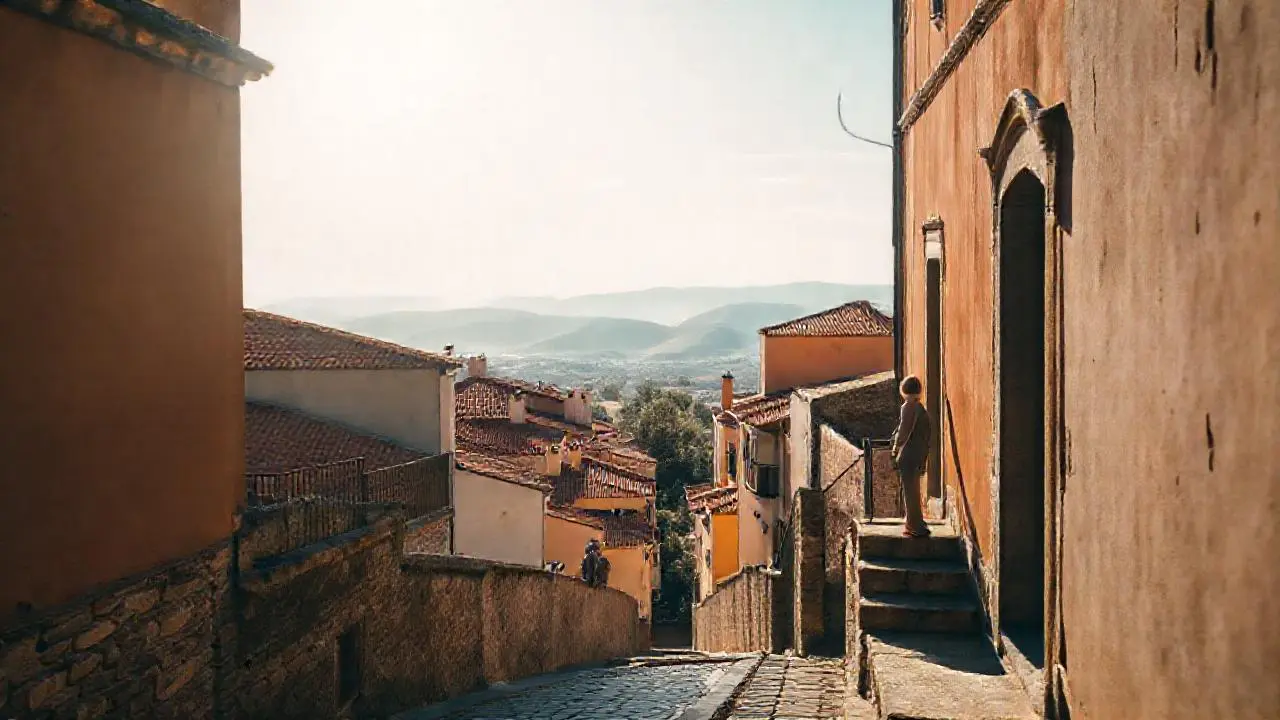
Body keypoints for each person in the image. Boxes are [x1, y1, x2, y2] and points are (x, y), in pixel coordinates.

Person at [890, 374, 932, 537]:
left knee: (910, 492)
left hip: (908, 455)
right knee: (914, 490)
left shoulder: (908, 407)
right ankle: (916, 523)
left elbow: (904, 431)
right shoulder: (920, 408)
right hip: (918, 454)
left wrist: (895, 448)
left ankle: (913, 525)